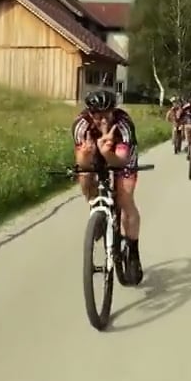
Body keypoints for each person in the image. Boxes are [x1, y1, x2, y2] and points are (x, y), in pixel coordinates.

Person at [73, 88, 142, 284]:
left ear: (114, 111)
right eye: (98, 116)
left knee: (124, 198)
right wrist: (86, 157)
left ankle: (133, 250)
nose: (103, 120)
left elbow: (120, 161)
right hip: (95, 151)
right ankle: (97, 209)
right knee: (85, 175)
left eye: (107, 115)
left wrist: (107, 152)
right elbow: (81, 164)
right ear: (90, 114)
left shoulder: (123, 124)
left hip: (121, 155)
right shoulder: (81, 125)